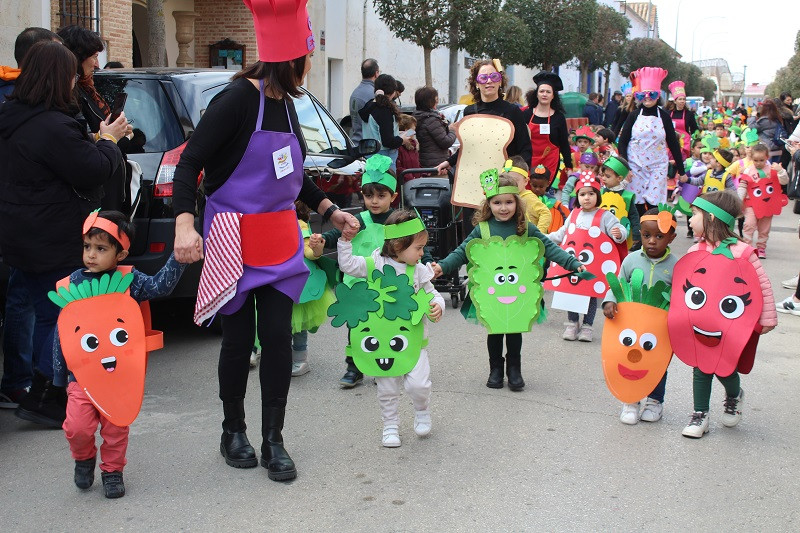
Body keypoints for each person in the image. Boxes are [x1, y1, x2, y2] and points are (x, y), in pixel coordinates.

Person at [171, 0, 359, 482]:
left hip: (279, 239)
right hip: (233, 238)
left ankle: (273, 437)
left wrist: (330, 210)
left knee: (276, 338)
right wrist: (184, 224)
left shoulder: (287, 105)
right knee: (237, 342)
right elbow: (190, 163)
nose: (310, 66)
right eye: (308, 57)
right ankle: (232, 428)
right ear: (292, 60)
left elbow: (294, 178)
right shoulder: (235, 100)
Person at [0, 40, 126, 428]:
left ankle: (23, 385)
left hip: (17, 233)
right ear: (59, 78)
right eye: (71, 74)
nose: (75, 80)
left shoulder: (10, 116)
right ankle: (44, 395)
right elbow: (92, 170)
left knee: (28, 308)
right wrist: (108, 141)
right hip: (50, 236)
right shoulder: (53, 125)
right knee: (57, 316)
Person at [52, 210, 186, 498]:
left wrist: (179, 256)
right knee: (78, 427)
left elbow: (159, 287)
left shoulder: (130, 280)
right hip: (82, 376)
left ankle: (112, 471)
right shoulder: (73, 283)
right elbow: (63, 330)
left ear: (121, 254)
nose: (91, 254)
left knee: (116, 426)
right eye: (87, 246)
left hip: (119, 375)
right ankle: (84, 458)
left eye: (101, 248)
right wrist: (58, 372)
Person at [432, 174, 583, 390]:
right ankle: (495, 369)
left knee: (514, 329)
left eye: (509, 202)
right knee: (494, 329)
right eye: (497, 203)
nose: (503, 208)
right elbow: (463, 251)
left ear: (517, 202)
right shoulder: (482, 229)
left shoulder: (525, 227)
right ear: (489, 204)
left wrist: (572, 263)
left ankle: (514, 369)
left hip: (517, 290)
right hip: (492, 291)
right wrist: (442, 266)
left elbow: (549, 248)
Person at [335, 209, 444, 447]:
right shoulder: (374, 264)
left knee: (418, 384)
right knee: (387, 387)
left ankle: (422, 410)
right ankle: (390, 425)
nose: (422, 253)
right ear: (397, 246)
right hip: (382, 342)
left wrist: (438, 305)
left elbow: (433, 294)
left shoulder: (419, 271)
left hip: (414, 341)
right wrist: (345, 242)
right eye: (418, 247)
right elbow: (348, 265)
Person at [0, 26, 63, 410]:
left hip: (19, 224)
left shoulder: (15, 104)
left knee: (22, 302)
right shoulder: (34, 110)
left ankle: (20, 382)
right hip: (36, 227)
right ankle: (34, 386)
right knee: (43, 309)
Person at [679, 191, 776, 438]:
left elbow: (761, 284)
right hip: (702, 322)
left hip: (731, 323)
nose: (690, 220)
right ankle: (700, 414)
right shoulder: (695, 251)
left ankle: (734, 394)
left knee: (724, 366)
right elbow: (684, 286)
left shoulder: (742, 251)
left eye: (695, 214)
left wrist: (767, 317)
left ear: (711, 217)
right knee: (701, 365)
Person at [603, 206, 677, 424]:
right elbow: (618, 282)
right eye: (646, 235)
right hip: (630, 324)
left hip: (659, 329)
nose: (652, 241)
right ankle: (630, 400)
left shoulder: (675, 265)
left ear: (671, 238)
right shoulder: (631, 260)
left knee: (657, 363)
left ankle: (655, 402)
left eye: (659, 236)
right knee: (627, 359)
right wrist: (610, 300)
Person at [58, 25, 133, 213]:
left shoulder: (87, 90)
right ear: (76, 59)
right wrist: (108, 135)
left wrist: (119, 133)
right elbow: (80, 143)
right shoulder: (70, 96)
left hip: (107, 189)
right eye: (93, 57)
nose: (97, 64)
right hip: (94, 196)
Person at [547, 173, 627, 342]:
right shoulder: (574, 214)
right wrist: (544, 238)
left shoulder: (605, 216)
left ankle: (587, 326)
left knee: (590, 295)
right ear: (577, 197)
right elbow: (563, 233)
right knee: (571, 291)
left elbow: (619, 230)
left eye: (591, 194)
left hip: (594, 265)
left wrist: (619, 234)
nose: (587, 198)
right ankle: (572, 323)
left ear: (597, 196)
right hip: (573, 262)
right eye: (582, 194)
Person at [438, 59, 532, 176]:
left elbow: (525, 149)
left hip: (504, 179)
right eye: (483, 78)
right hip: (475, 177)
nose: (489, 81)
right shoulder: (469, 112)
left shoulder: (512, 111)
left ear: (500, 82)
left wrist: (516, 174)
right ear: (476, 83)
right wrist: (449, 162)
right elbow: (468, 148)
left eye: (494, 76)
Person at [618, 67, 686, 215]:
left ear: (658, 95)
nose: (647, 98)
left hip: (658, 165)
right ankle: (640, 234)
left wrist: (681, 170)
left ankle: (654, 232)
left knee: (654, 202)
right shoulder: (634, 115)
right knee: (637, 202)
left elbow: (673, 144)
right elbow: (622, 142)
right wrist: (625, 167)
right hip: (635, 165)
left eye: (652, 94)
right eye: (643, 95)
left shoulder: (665, 116)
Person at [285, 201, 336, 376]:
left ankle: (300, 359)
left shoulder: (298, 224)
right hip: (277, 281)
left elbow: (309, 252)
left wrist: (316, 250)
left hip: (298, 283)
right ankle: (281, 357)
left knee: (298, 325)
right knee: (277, 322)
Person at [738, 143, 789, 259]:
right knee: (749, 224)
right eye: (755, 160)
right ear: (751, 158)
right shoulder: (748, 171)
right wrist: (739, 200)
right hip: (751, 203)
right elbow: (742, 185)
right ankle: (747, 247)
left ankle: (761, 247)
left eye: (761, 160)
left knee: (764, 228)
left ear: (767, 157)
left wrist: (781, 171)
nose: (758, 163)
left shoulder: (772, 170)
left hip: (767, 204)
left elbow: (784, 181)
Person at [523, 71, 572, 184]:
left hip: (549, 162)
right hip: (528, 162)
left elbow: (564, 143)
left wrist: (569, 166)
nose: (544, 94)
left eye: (548, 92)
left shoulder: (558, 117)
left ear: (553, 95)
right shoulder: (526, 114)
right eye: (542, 91)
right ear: (537, 94)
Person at [359, 73, 412, 171]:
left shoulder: (369, 105)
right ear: (393, 92)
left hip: (369, 156)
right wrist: (402, 140)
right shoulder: (384, 110)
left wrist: (396, 134)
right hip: (384, 160)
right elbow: (388, 141)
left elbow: (376, 131)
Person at [600, 155, 640, 249]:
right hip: (601, 233)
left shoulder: (626, 196)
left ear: (619, 178)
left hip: (618, 235)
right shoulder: (600, 193)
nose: (604, 179)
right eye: (603, 175)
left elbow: (634, 216)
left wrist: (636, 234)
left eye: (608, 176)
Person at [503, 156, 551, 233]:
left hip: (529, 240)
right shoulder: (504, 197)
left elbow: (545, 213)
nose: (510, 184)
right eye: (506, 180)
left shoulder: (528, 197)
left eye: (515, 181)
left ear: (526, 181)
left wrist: (539, 233)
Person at [413, 86, 456, 168]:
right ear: (430, 101)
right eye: (435, 99)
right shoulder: (431, 120)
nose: (437, 101)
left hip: (425, 161)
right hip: (437, 165)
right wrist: (452, 130)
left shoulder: (418, 116)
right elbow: (445, 142)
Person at [349, 58, 379, 143]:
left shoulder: (355, 92)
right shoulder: (373, 94)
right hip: (368, 146)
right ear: (376, 73)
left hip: (356, 142)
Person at [667, 81, 699, 160]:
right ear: (675, 101)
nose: (682, 101)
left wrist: (696, 134)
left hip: (684, 144)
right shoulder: (668, 113)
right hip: (670, 141)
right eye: (680, 99)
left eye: (684, 99)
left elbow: (694, 128)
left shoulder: (689, 114)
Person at [754, 99, 786, 163]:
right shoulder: (778, 118)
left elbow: (752, 128)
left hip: (768, 149)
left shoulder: (765, 120)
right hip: (778, 148)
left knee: (767, 170)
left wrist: (752, 116)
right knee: (774, 170)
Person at [396, 113, 420, 183]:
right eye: (413, 130)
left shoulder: (413, 145)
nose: (414, 132)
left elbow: (416, 164)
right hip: (404, 183)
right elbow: (398, 167)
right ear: (406, 130)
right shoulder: (397, 147)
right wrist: (410, 177)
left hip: (414, 181)